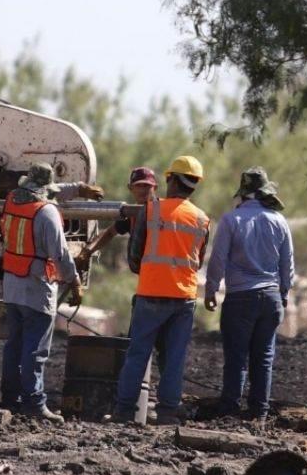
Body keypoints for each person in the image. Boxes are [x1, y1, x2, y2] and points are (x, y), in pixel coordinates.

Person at [111, 156, 211, 426]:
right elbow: (198, 260)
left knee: (138, 354)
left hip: (151, 293)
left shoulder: (152, 210)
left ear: (171, 179)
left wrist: (149, 272)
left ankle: (124, 411)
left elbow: (135, 256)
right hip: (184, 298)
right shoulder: (202, 219)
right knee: (175, 357)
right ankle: (167, 412)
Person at [0, 162, 102, 422]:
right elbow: (61, 254)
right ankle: (34, 404)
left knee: (14, 346)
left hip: (12, 286)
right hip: (36, 289)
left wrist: (78, 189)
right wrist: (75, 281)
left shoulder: (12, 200)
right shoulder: (47, 213)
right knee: (35, 350)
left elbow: (52, 191)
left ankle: (10, 400)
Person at [203, 167, 295, 420]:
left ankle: (230, 408)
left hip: (240, 298)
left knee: (236, 357)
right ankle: (259, 412)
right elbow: (287, 263)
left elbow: (218, 259)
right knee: (264, 357)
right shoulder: (279, 220)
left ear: (242, 194)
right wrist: (284, 292)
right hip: (271, 297)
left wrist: (211, 289)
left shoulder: (232, 220)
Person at [79, 166, 171, 375]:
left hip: (165, 287)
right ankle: (138, 391)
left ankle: (149, 395)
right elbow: (111, 231)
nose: (143, 190)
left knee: (158, 346)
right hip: (148, 285)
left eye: (147, 186)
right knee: (141, 344)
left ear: (155, 187)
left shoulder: (161, 212)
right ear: (130, 188)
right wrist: (88, 250)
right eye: (138, 186)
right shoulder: (133, 214)